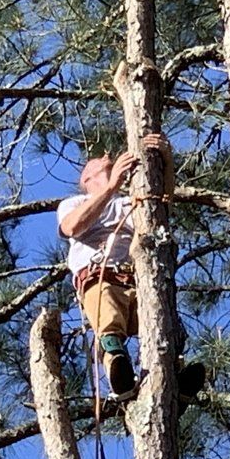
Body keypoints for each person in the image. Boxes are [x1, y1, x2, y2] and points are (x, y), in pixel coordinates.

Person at [57, 134, 204, 403]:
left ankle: (174, 378)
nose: (107, 157)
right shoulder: (75, 203)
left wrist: (166, 162)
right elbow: (72, 227)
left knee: (164, 327)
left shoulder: (130, 201)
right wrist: (112, 186)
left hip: (140, 278)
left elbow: (160, 204)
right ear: (86, 179)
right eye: (99, 161)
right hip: (101, 274)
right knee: (110, 321)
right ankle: (116, 366)